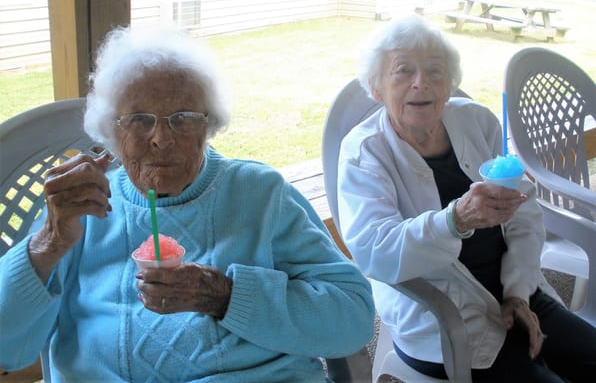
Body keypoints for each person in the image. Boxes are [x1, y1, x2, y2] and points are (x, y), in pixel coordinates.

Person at [0, 25, 375, 382]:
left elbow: (354, 319)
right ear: (111, 131)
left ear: (208, 125)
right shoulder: (79, 209)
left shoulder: (260, 194)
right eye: (139, 120)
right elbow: (6, 348)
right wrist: (50, 242)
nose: (161, 138)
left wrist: (226, 296)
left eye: (182, 118)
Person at [337, 15, 596, 382]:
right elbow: (374, 252)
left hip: (517, 294)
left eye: (435, 71)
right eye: (403, 70)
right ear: (377, 88)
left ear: (450, 85)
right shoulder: (364, 153)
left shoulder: (477, 121)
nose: (421, 83)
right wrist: (455, 220)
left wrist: (519, 292)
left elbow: (524, 216)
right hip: (444, 319)